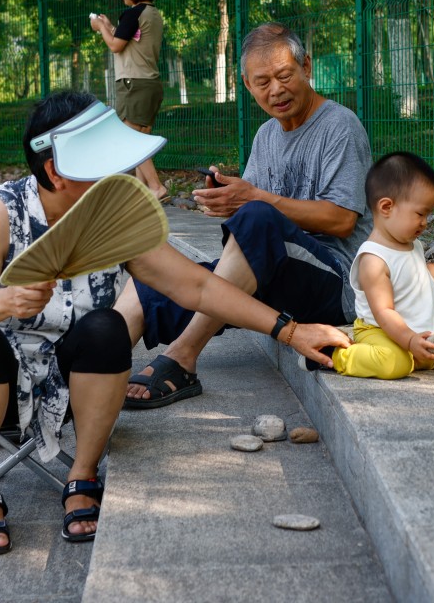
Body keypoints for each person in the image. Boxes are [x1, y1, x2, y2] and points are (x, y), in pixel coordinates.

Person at [0, 90, 350, 555]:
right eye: (107, 165)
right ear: (55, 172)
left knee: (105, 327)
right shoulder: (2, 210)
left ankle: (82, 474)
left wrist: (290, 330)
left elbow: (199, 288)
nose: (123, 176)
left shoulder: (112, 218)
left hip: (75, 393)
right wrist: (5, 300)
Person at [121, 22, 374, 408]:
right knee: (154, 282)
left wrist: (252, 199)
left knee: (256, 216)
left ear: (307, 66)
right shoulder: (266, 136)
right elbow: (253, 228)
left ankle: (182, 356)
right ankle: (86, 382)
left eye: (285, 75)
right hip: (277, 275)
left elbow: (341, 220)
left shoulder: (339, 126)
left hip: (336, 282)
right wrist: (230, 199)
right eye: (262, 82)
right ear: (245, 84)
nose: (276, 90)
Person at [323, 152, 434, 379]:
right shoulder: (373, 260)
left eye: (428, 214)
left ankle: (417, 356)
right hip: (380, 330)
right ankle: (334, 356)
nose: (425, 222)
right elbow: (384, 312)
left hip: (420, 328)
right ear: (386, 207)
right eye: (420, 213)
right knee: (393, 364)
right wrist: (410, 340)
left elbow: (420, 276)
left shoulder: (411, 244)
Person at [90, 0, 168, 202]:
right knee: (140, 138)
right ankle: (141, 192)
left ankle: (156, 187)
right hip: (150, 83)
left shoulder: (133, 13)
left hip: (133, 83)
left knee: (131, 140)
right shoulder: (152, 14)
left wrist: (101, 27)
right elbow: (129, 40)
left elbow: (115, 45)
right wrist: (111, 26)